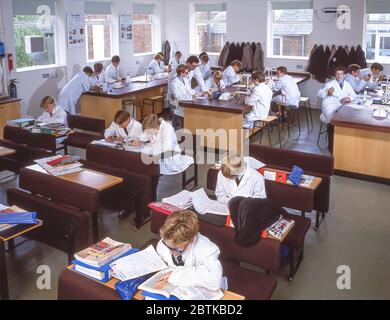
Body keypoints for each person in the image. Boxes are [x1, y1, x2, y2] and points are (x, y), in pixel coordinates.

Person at [156, 210, 223, 292]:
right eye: (167, 245)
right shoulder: (165, 242)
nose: (170, 252)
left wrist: (175, 275)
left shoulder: (207, 250)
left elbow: (214, 280)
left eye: (176, 249)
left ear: (191, 240)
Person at [170, 64, 197, 130]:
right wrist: (191, 96)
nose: (188, 74)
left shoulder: (185, 80)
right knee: (178, 127)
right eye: (186, 72)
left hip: (187, 103)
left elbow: (189, 90)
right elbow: (179, 98)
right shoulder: (174, 83)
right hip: (178, 105)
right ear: (181, 73)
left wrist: (196, 93)